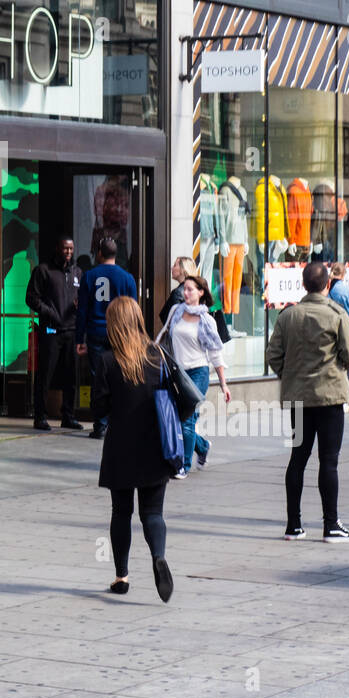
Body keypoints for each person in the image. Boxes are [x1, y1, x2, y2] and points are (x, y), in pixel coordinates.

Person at [265, 260, 349, 542]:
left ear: (303, 284)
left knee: (298, 458)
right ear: (328, 285)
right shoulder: (337, 314)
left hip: (298, 399)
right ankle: (331, 525)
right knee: (328, 461)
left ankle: (293, 525)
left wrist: (291, 375)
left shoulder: (287, 316)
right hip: (329, 398)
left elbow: (273, 356)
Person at [92, 298, 176, 603]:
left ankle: (122, 576)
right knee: (153, 512)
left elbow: (99, 408)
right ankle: (158, 557)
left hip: (121, 448)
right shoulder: (158, 355)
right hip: (156, 444)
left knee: (121, 512)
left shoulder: (107, 360)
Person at [160, 275, 230, 476]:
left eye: (190, 289)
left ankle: (183, 466)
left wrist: (224, 384)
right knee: (178, 418)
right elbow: (164, 335)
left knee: (188, 420)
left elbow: (216, 354)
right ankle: (203, 446)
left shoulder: (207, 320)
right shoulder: (176, 311)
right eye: (184, 289)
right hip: (178, 372)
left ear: (201, 293)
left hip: (198, 372)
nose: (186, 292)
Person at [76, 237, 138, 440]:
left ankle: (100, 425)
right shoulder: (127, 278)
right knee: (122, 376)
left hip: (95, 333)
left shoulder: (89, 276)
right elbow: (132, 310)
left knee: (98, 378)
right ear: (116, 254)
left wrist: (80, 338)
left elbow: (82, 310)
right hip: (120, 334)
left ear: (100, 254)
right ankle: (121, 421)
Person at [26, 236, 83, 432]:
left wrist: (80, 305)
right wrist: (49, 312)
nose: (68, 252)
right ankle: (40, 416)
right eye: (65, 248)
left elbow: (82, 298)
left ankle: (68, 415)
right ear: (58, 248)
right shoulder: (43, 270)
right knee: (45, 374)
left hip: (71, 330)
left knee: (71, 376)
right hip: (51, 330)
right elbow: (31, 298)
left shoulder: (77, 272)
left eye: (71, 249)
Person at [158, 256, 197, 327]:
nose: (171, 268)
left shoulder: (178, 293)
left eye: (175, 265)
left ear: (183, 269)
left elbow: (174, 321)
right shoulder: (197, 289)